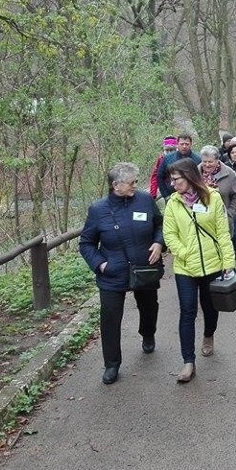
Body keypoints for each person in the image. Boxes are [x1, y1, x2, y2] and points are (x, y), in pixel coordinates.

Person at [79, 163, 165, 385]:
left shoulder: (145, 200)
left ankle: (148, 334)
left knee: (149, 307)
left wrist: (158, 243)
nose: (136, 185)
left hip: (144, 268)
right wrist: (100, 264)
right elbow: (86, 243)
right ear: (116, 185)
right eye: (131, 182)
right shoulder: (98, 210)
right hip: (113, 273)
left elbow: (160, 225)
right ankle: (112, 364)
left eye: (136, 181)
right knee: (110, 318)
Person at [163, 158, 236, 383]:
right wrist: (184, 253)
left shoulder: (212, 198)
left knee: (210, 307)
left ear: (189, 176)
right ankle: (188, 362)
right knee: (187, 312)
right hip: (185, 267)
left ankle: (208, 335)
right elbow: (169, 235)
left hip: (212, 264)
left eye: (176, 179)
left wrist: (228, 262)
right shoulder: (173, 203)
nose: (173, 184)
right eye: (172, 180)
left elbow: (222, 233)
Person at [198, 145, 236, 234]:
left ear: (217, 160)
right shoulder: (195, 173)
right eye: (204, 161)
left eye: (210, 162)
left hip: (222, 222)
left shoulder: (229, 173)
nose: (207, 165)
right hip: (200, 223)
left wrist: (229, 215)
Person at [156, 132, 202, 200]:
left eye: (186, 144)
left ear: (191, 144)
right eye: (181, 144)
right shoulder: (168, 158)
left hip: (193, 196)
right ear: (177, 144)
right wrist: (166, 195)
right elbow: (159, 176)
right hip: (172, 195)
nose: (184, 146)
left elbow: (200, 178)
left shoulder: (197, 159)